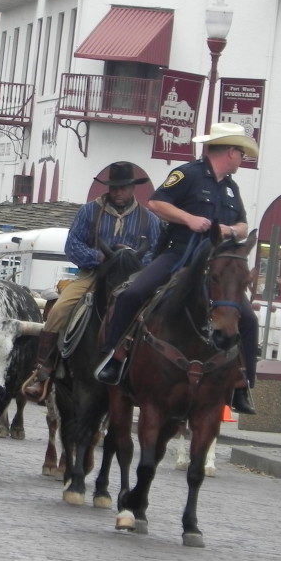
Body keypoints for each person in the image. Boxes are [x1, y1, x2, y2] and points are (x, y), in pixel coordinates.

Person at [93, 123, 259, 415]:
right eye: (241, 153)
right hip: (180, 253)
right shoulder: (188, 174)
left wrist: (231, 230)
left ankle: (242, 383)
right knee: (133, 294)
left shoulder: (232, 189)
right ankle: (113, 359)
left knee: (248, 318)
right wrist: (189, 219)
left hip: (216, 265)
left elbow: (244, 225)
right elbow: (156, 203)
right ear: (230, 151)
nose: (243, 159)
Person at [21, 162, 162, 403]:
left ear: (133, 189)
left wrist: (132, 261)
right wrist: (98, 257)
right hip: (93, 275)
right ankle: (44, 369)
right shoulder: (89, 212)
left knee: (161, 313)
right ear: (108, 188)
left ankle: (159, 375)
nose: (118, 192)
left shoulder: (149, 219)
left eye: (124, 188)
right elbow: (73, 244)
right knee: (60, 309)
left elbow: (156, 252)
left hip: (133, 280)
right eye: (115, 188)